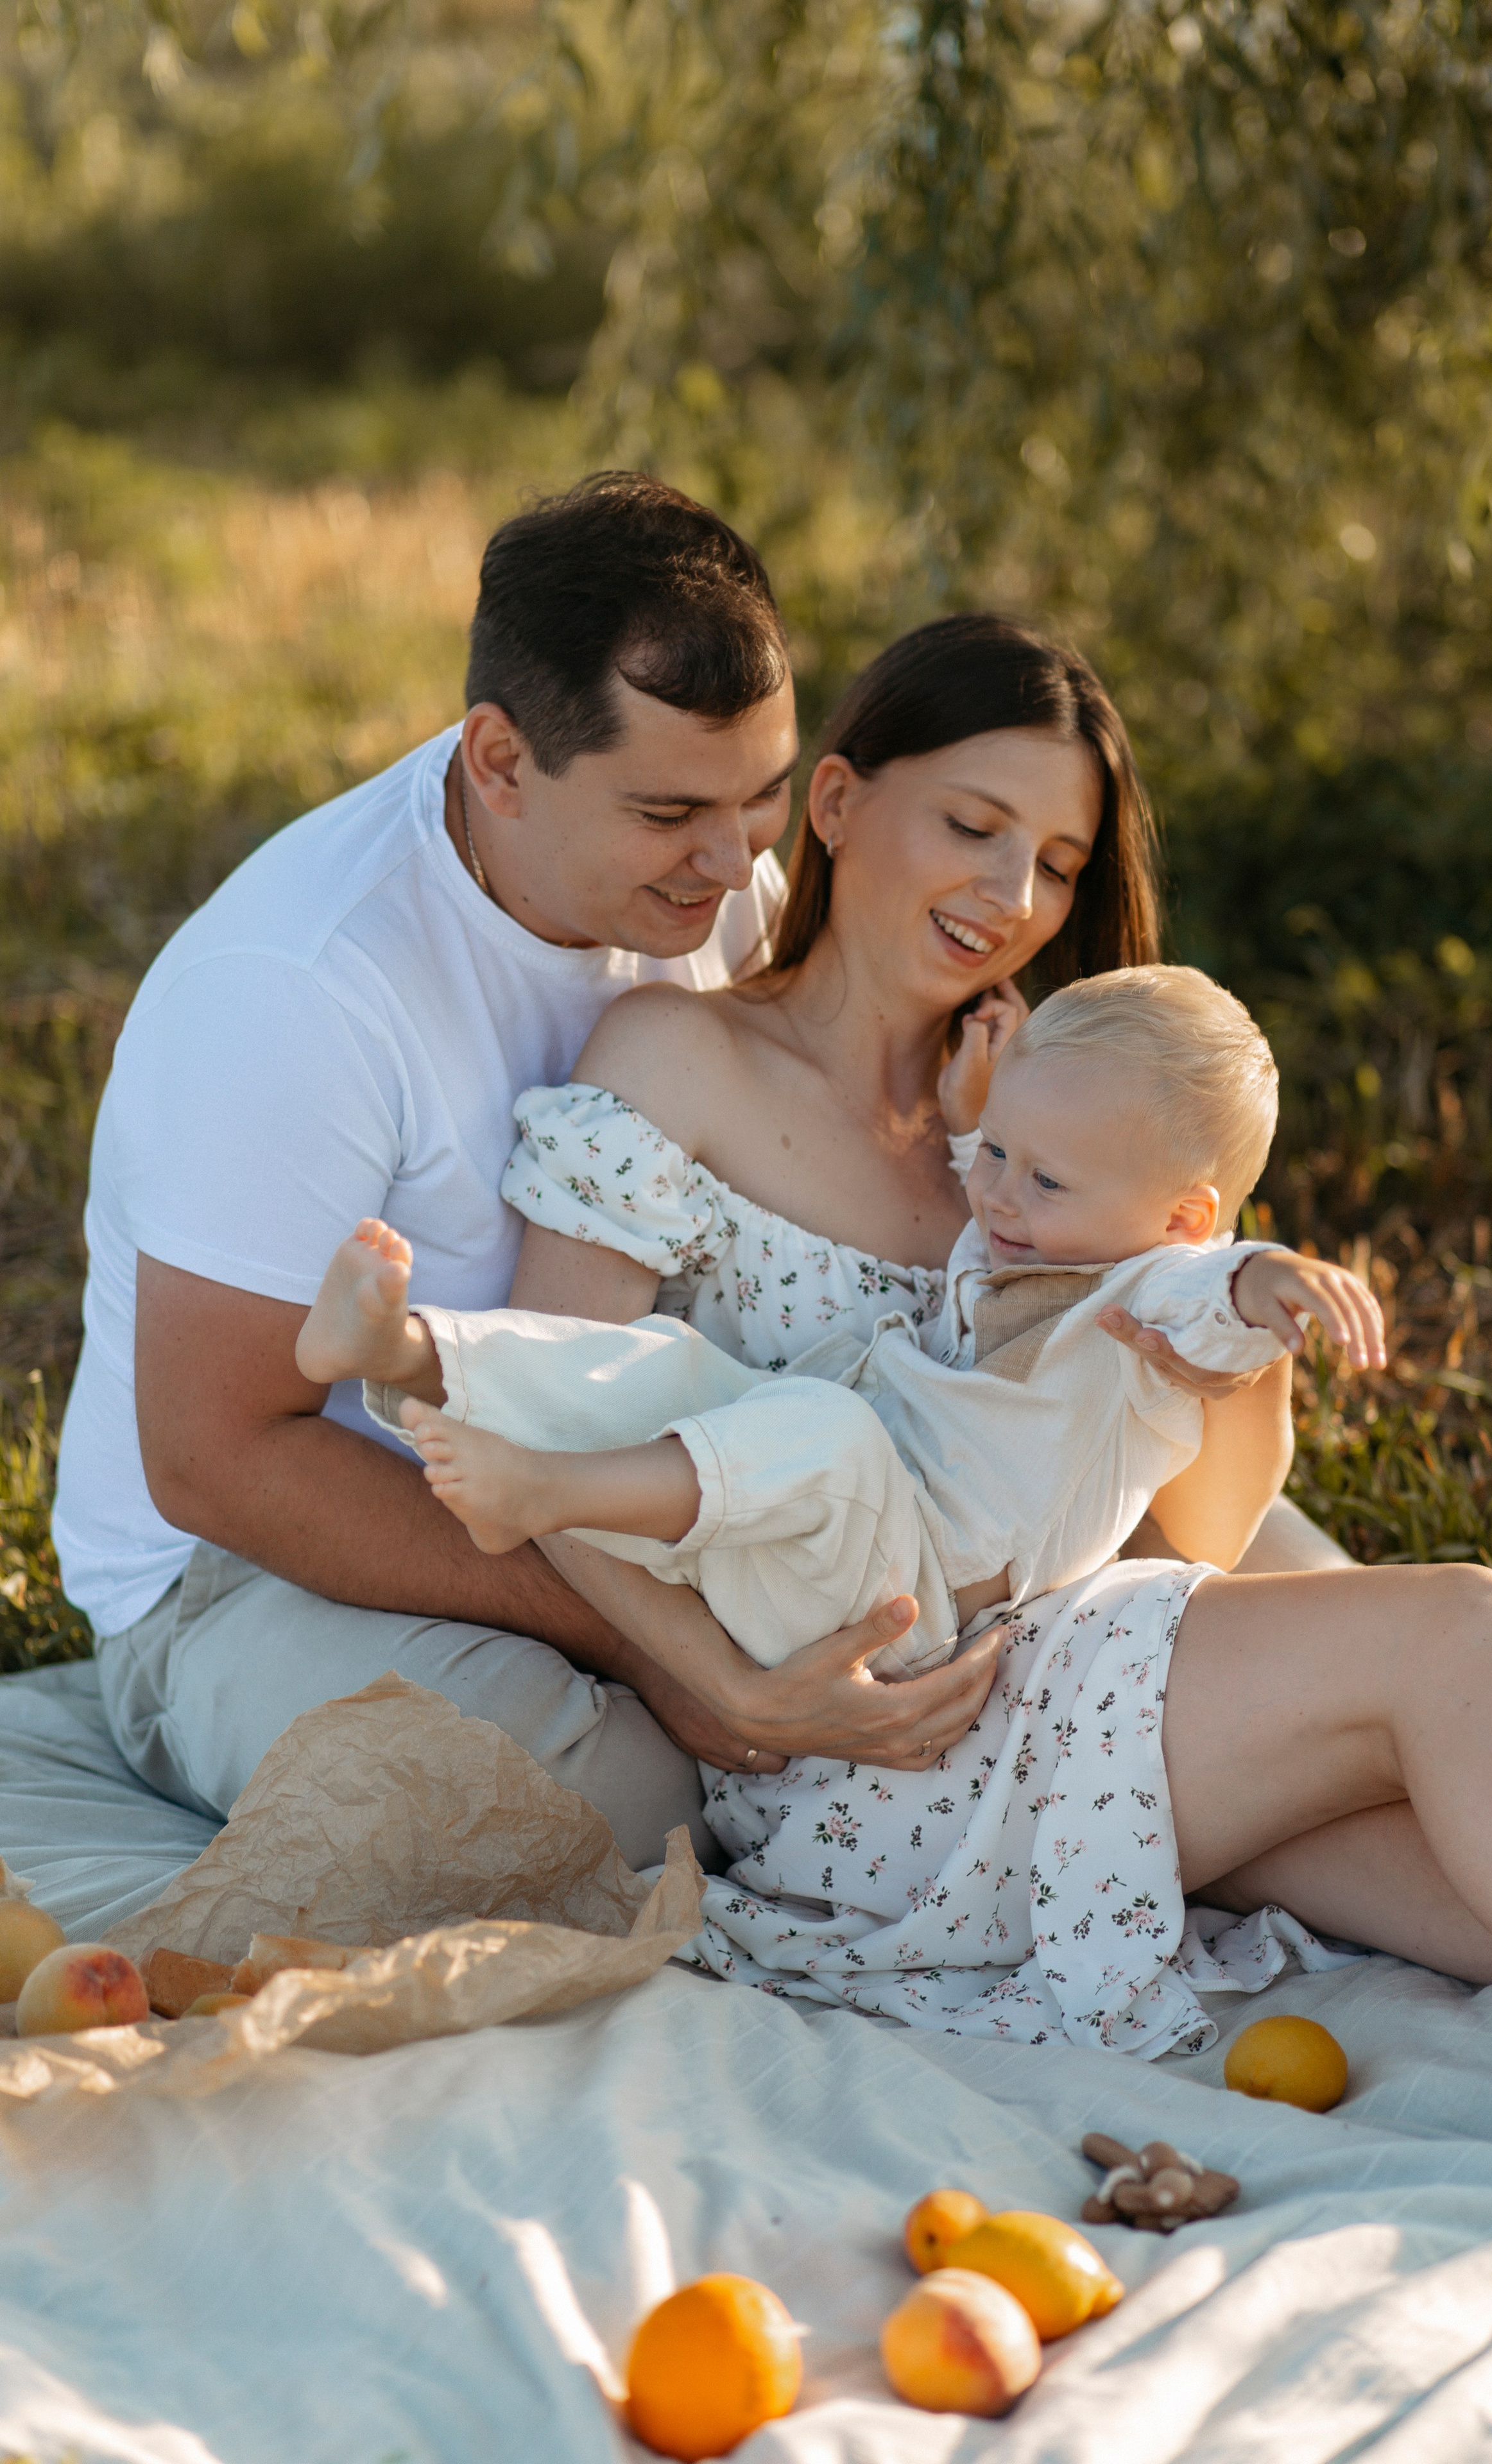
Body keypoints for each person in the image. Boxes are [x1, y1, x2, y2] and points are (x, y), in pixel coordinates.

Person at [472, 610, 1492, 2065]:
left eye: (1059, 863)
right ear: (834, 804)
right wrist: (716, 1689)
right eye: (971, 825)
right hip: (878, 1751)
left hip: (1076, 1689)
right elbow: (530, 1418)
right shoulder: (679, 1061)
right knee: (1465, 1633)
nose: (1012, 893)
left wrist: (1231, 1347)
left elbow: (1195, 1533)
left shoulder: (1058, 1122)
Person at [54, 475, 1002, 1870]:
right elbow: (216, 1459)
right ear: (498, 761)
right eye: (671, 811)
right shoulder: (296, 991)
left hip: (628, 1486)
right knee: (609, 1806)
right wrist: (657, 1646)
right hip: (248, 1575)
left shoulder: (717, 875)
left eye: (760, 797)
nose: (735, 859)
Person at [292, 968, 1381, 1684]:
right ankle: (405, 1353)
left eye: (1041, 1176)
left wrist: (1273, 1274)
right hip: (821, 1544)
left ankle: (546, 1492)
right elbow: (995, 1175)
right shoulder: (1027, 1224)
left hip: (916, 1598)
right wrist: (975, 1122)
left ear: (1180, 1220)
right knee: (669, 1368)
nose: (997, 1197)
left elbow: (1218, 1293)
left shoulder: (1144, 1298)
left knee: (826, 1437)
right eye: (998, 1155)